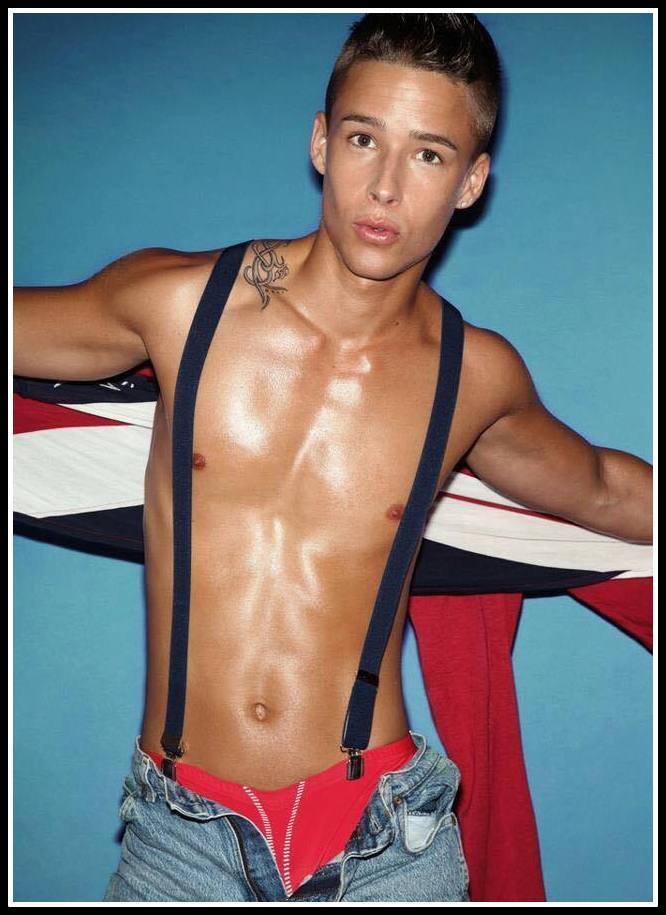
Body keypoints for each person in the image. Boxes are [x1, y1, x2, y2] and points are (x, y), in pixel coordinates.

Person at [12, 13, 652, 903]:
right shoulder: (180, 303)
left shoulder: (472, 375)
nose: (385, 186)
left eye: (427, 155)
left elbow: (606, 491)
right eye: (363, 139)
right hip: (178, 839)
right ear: (321, 141)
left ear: (470, 182)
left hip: (388, 843)